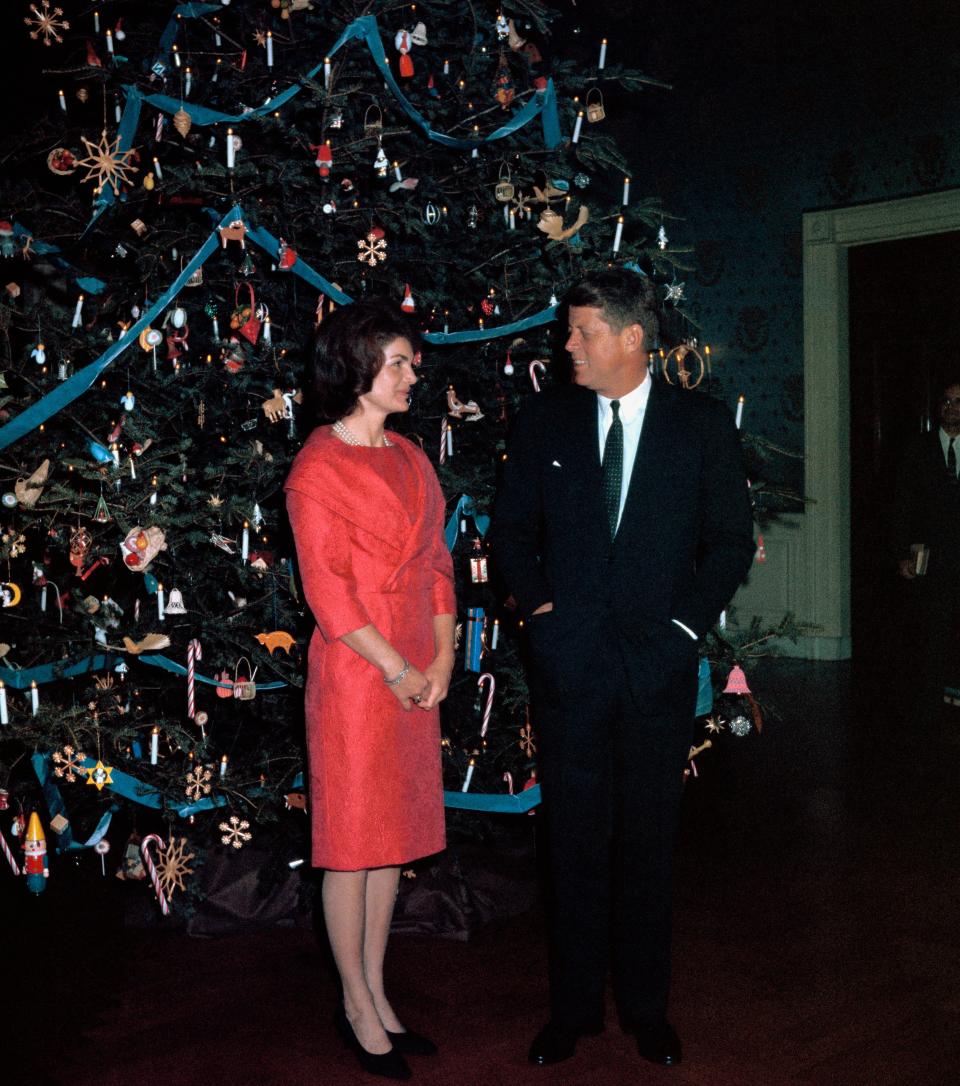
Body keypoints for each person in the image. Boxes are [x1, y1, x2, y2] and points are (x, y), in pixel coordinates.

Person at [490, 269, 754, 1069]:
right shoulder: (544, 422)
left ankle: (646, 1010)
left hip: (656, 669)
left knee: (648, 841)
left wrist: (680, 630)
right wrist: (540, 618)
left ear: (633, 338)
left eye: (582, 332)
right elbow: (510, 535)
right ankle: (570, 1012)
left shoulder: (701, 426)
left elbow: (730, 543)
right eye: (568, 332)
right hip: (568, 670)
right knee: (570, 841)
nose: (566, 345)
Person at [284, 300, 456, 1081]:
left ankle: (378, 989)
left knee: (390, 842)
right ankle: (353, 1000)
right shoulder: (318, 466)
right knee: (352, 848)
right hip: (360, 674)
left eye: (411, 362)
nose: (413, 373)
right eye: (398, 363)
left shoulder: (414, 457)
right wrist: (397, 668)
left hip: (420, 667)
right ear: (356, 370)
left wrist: (444, 662)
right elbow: (330, 593)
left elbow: (439, 567)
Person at [891, 376, 960, 737]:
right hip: (932, 559)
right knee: (930, 634)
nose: (952, 408)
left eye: (958, 402)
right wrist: (903, 553)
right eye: (946, 402)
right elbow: (902, 506)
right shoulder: (919, 449)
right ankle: (927, 713)